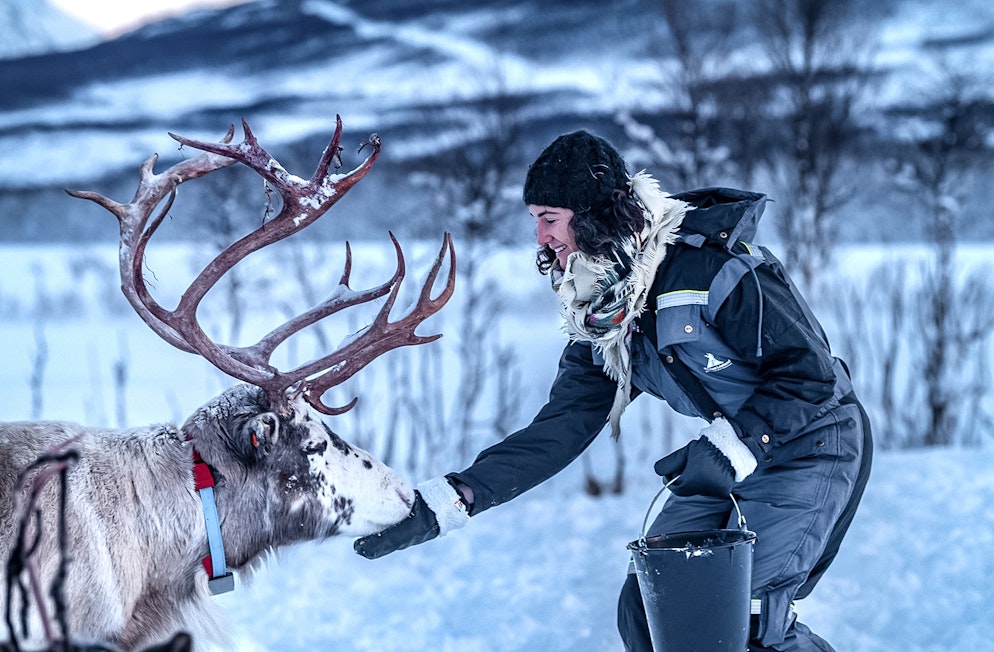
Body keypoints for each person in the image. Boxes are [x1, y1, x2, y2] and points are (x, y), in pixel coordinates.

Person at [354, 129, 873, 651]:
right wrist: (453, 501)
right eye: (534, 219)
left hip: (814, 445)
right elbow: (560, 429)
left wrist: (735, 446)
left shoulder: (711, 268)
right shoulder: (604, 319)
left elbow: (810, 374)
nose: (540, 238)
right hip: (734, 456)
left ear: (593, 215)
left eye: (549, 219)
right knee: (652, 609)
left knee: (744, 620)